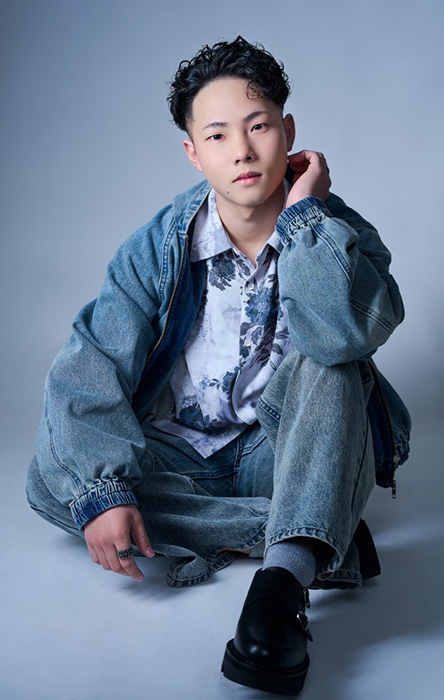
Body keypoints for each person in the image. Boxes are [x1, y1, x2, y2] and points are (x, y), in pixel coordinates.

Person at [26, 37, 411, 695]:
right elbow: (91, 362)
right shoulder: (158, 245)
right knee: (53, 480)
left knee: (333, 364)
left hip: (284, 450)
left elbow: (344, 337)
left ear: (288, 132)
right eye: (217, 134)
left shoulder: (338, 233)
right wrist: (104, 492)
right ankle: (312, 531)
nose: (242, 150)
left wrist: (305, 219)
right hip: (180, 452)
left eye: (259, 126)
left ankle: (280, 586)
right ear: (193, 152)